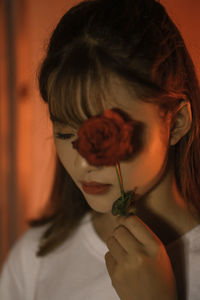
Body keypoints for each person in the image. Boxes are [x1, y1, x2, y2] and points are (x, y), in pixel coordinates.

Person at [1, 0, 200, 299]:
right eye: (66, 133)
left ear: (178, 122)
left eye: (110, 133)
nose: (84, 162)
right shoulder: (36, 257)